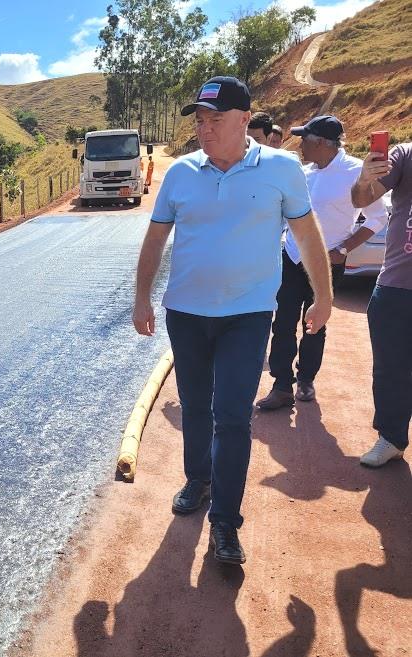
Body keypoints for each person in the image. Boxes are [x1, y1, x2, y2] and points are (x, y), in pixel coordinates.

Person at [134, 76, 332, 565]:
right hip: (186, 312)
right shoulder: (181, 174)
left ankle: (225, 520)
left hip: (246, 315)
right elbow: (156, 240)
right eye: (199, 121)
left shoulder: (283, 170)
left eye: (215, 120)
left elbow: (307, 236)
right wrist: (141, 298)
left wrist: (323, 296)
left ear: (245, 119)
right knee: (196, 407)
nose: (204, 129)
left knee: (233, 417)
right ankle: (198, 480)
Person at [258, 116, 389, 409]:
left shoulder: (357, 173)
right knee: (283, 323)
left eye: (305, 139)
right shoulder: (303, 173)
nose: (300, 145)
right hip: (292, 257)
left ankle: (305, 380)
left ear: (320, 143)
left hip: (328, 261)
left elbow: (378, 218)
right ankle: (281, 385)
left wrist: (344, 249)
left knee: (315, 323)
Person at [350, 141, 412, 467]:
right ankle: (391, 438)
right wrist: (363, 180)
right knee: (390, 370)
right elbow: (363, 199)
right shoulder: (405, 155)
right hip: (397, 286)